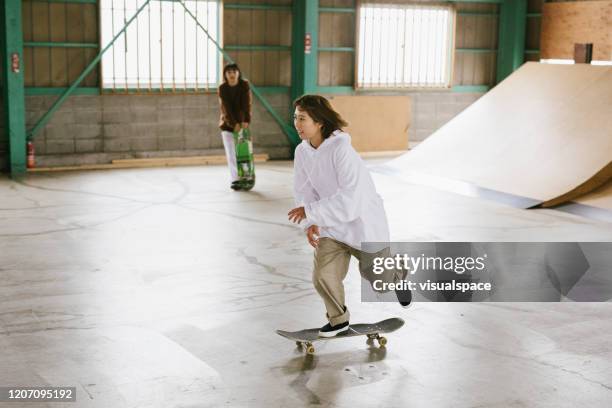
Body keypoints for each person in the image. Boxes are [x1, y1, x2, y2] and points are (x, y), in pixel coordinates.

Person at [287, 94, 412, 338]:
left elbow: (352, 198)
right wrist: (310, 222)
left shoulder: (340, 149)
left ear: (320, 122)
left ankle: (397, 274)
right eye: (295, 118)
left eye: (303, 118)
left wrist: (312, 212)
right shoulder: (302, 152)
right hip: (331, 226)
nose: (297, 124)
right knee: (323, 275)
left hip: (361, 222)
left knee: (379, 279)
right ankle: (338, 320)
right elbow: (303, 190)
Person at [218, 63, 252, 191]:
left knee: (244, 152)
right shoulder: (223, 88)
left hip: (243, 124)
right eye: (228, 72)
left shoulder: (244, 85)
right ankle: (235, 179)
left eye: (234, 71)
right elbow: (225, 108)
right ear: (225, 75)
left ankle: (247, 177)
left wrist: (245, 121)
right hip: (227, 125)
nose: (232, 74)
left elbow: (247, 104)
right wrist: (234, 124)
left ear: (238, 73)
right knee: (231, 153)